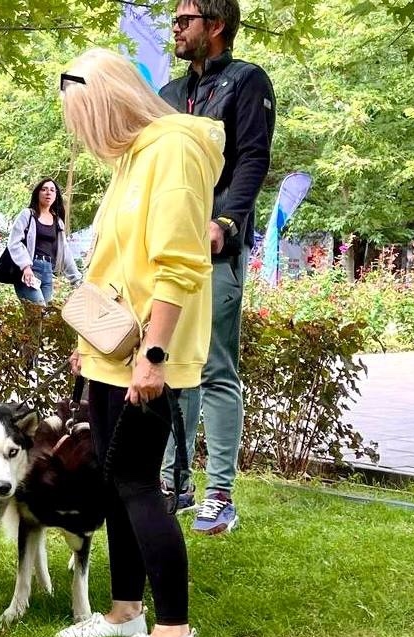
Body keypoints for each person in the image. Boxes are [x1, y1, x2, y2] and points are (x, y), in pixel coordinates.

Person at [57, 49, 223, 637]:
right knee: (114, 480)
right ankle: (126, 610)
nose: (86, 134)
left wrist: (152, 357)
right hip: (111, 346)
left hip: (149, 352)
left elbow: (180, 264)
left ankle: (174, 634)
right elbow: (116, 261)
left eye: (85, 116)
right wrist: (90, 343)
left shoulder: (174, 150)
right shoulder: (132, 157)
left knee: (136, 483)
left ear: (109, 102)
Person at [158, 0, 276, 534]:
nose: (175, 29)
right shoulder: (166, 95)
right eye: (174, 20)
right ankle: (173, 483)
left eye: (185, 20)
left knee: (214, 366)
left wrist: (226, 222)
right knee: (175, 366)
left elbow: (253, 157)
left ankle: (220, 493)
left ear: (216, 25)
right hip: (170, 246)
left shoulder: (247, 81)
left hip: (217, 248)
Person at [8, 178, 82, 305]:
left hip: (47, 271)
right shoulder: (28, 215)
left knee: (42, 318)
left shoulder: (58, 221)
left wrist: (77, 280)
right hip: (29, 270)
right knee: (38, 309)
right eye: (44, 189)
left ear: (56, 196)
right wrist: (26, 266)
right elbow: (14, 242)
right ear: (37, 193)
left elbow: (65, 251)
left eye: (52, 190)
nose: (48, 193)